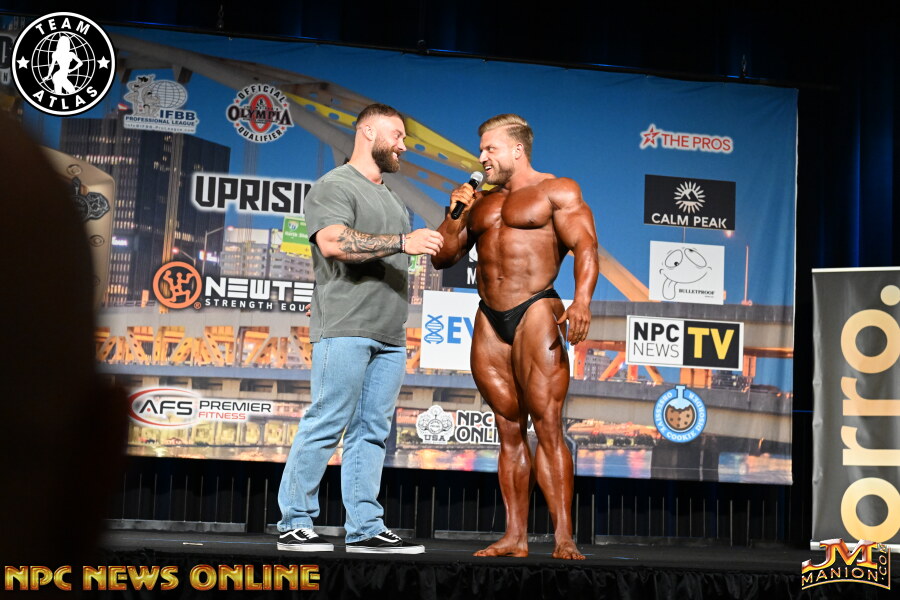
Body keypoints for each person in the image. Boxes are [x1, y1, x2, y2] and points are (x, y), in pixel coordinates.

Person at [276, 103, 443, 554]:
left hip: (390, 334)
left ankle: (365, 527)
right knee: (326, 421)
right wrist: (404, 242)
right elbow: (333, 242)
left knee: (372, 431)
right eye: (397, 135)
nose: (403, 146)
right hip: (346, 327)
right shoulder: (335, 185)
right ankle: (294, 521)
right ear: (368, 132)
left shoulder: (393, 199)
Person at [432, 114, 598, 560]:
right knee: (507, 430)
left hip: (536, 308)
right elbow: (443, 258)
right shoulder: (479, 202)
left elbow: (586, 245)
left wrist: (582, 302)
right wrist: (454, 214)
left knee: (547, 426)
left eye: (490, 149)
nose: (482, 157)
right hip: (490, 316)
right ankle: (515, 536)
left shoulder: (556, 191)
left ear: (517, 149)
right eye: (480, 149)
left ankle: (563, 537)